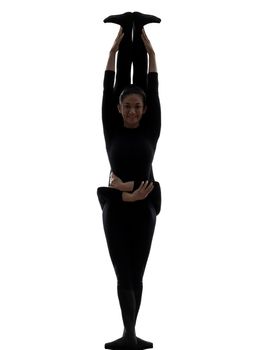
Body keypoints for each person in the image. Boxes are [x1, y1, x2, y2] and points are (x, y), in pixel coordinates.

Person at [97, 11, 161, 350]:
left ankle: (133, 335)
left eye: (138, 106)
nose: (133, 110)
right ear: (120, 110)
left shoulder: (152, 128)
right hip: (117, 209)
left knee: (138, 272)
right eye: (128, 107)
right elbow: (109, 88)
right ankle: (127, 335)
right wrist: (115, 48)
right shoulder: (112, 130)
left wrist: (150, 52)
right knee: (123, 273)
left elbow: (152, 86)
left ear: (144, 109)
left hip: (145, 206)